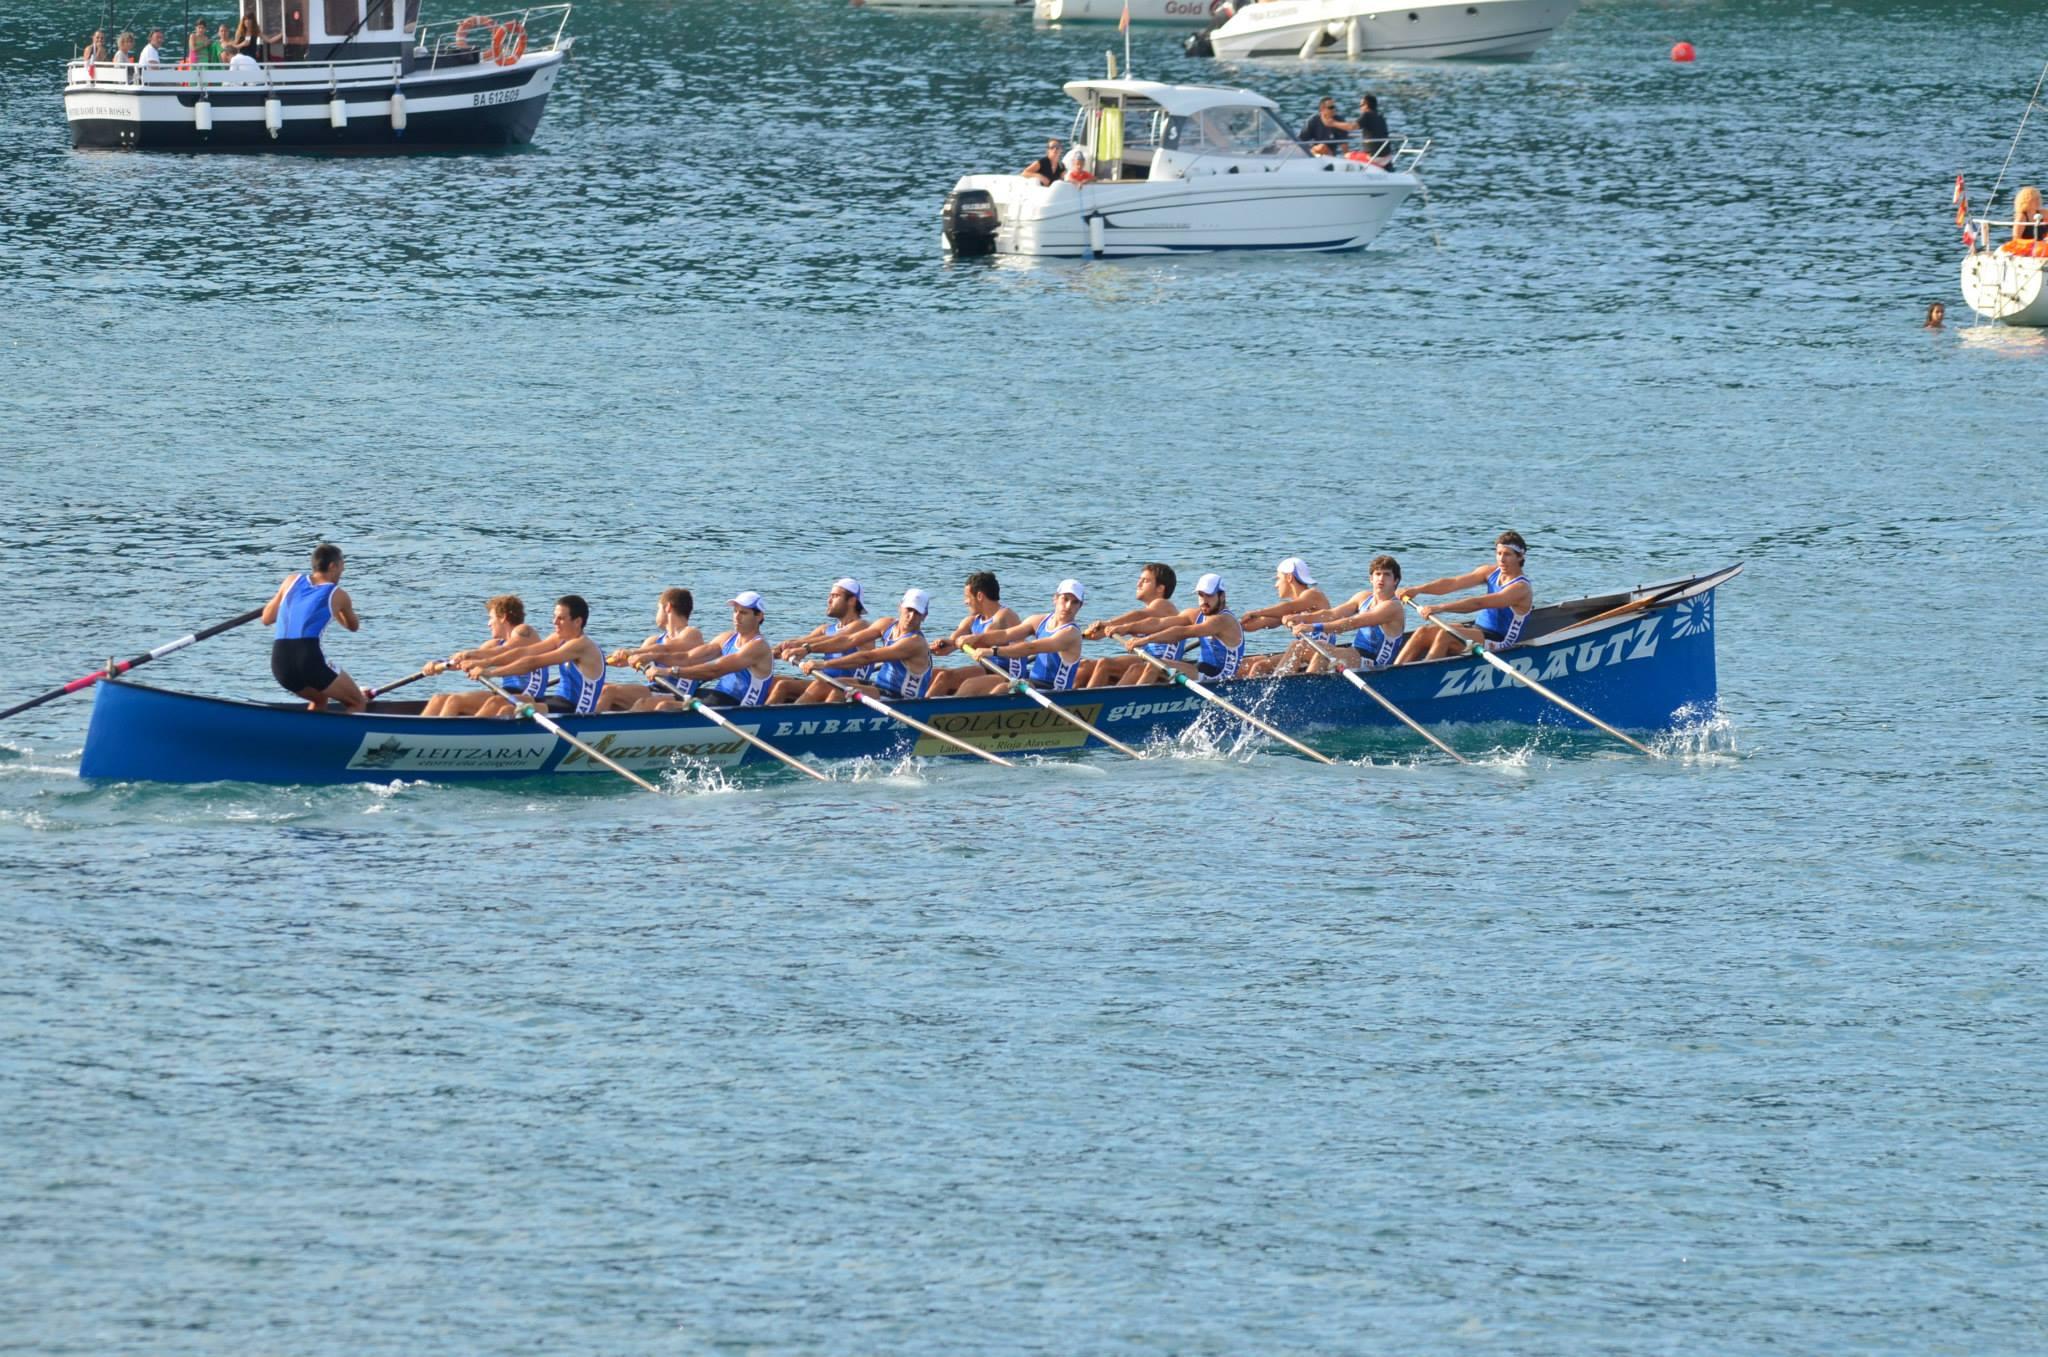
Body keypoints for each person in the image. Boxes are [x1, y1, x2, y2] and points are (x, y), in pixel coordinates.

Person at [1395, 531, 1534, 663]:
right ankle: (1393, 673)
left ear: (1520, 557)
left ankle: (1424, 677)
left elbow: (1478, 603)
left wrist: (1439, 608)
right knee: (1423, 632)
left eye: (1507, 555)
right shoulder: (1489, 572)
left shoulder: (1520, 588)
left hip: (1500, 641)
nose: (1501, 559)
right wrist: (1417, 589)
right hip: (1478, 629)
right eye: (1499, 553)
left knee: (1447, 635)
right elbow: (1452, 583)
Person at [261, 543, 367, 712]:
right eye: (342, 566)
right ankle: (342, 738)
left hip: (280, 662)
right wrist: (338, 608)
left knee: (320, 698)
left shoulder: (290, 581)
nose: (342, 572)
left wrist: (282, 596)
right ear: (333, 566)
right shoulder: (338, 594)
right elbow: (353, 626)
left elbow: (266, 618)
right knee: (357, 701)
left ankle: (309, 735)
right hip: (308, 658)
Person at [469, 595, 606, 716]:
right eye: (554, 617)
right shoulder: (558, 638)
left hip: (577, 712)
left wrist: (491, 673)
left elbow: (533, 663)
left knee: (508, 710)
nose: (554, 622)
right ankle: (470, 733)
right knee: (497, 701)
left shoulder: (581, 645)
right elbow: (523, 652)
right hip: (558, 701)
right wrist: (485, 662)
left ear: (577, 622)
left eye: (561, 618)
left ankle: (478, 739)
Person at [952, 580, 1088, 696]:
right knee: (971, 684)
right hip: (1033, 683)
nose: (1068, 606)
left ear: (1080, 606)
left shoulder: (1071, 633)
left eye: (1075, 602)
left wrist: (993, 651)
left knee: (1002, 689)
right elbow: (1006, 634)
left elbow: (1031, 647)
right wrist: (975, 638)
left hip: (1055, 692)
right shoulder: (1038, 620)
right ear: (1055, 599)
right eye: (1065, 599)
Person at [421, 594, 546, 717]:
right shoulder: (494, 644)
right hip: (505, 693)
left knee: (455, 700)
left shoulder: (524, 631)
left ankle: (459, 734)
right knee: (439, 698)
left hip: (529, 696)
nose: (488, 624)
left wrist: (470, 654)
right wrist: (437, 664)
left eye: (491, 618)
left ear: (503, 617)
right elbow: (461, 662)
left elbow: (506, 651)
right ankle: (422, 732)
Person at [647, 592, 776, 709]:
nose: (737, 617)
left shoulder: (758, 647)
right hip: (718, 697)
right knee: (648, 703)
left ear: (759, 616)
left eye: (743, 613)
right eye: (735, 611)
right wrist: (652, 656)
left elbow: (714, 670)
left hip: (740, 707)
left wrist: (670, 671)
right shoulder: (727, 638)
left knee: (665, 706)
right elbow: (688, 657)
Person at [801, 589, 936, 701]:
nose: (911, 616)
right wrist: (807, 649)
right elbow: (849, 640)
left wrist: (823, 664)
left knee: (840, 691)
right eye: (909, 609)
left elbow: (868, 657)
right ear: (900, 606)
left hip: (903, 700)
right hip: (881, 687)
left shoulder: (915, 642)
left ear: (924, 616)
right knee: (823, 684)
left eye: (917, 613)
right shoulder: (886, 624)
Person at [767, 578, 881, 704]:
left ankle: (788, 718)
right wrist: (777, 650)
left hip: (848, 690)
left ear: (852, 601)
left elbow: (837, 639)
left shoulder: (862, 626)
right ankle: (759, 715)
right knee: (778, 683)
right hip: (825, 684)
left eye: (835, 596)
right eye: (830, 596)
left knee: (818, 686)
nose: (829, 601)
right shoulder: (825, 629)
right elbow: (799, 641)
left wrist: (805, 649)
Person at [1117, 573, 1244, 682]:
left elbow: (1182, 632)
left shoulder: (1223, 620)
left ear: (1222, 596)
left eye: (1209, 596)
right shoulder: (1195, 614)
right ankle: (1113, 702)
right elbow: (1159, 623)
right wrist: (1125, 627)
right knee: (1137, 668)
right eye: (1200, 595)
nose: (1204, 601)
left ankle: (1130, 705)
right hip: (1201, 669)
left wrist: (1144, 640)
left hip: (1220, 679)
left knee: (1155, 665)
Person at [1288, 555, 1406, 671]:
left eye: (1387, 574)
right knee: (1298, 646)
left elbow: (1352, 623)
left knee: (1323, 654)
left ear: (1395, 581)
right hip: (1355, 654)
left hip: (1375, 665)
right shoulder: (1363, 597)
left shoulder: (1393, 607)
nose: (1381, 578)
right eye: (1378, 574)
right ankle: (1279, 685)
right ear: (1371, 578)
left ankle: (1307, 689)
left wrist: (1313, 628)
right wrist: (1301, 618)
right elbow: (1331, 614)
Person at [1079, 563, 1188, 688]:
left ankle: (1094, 704)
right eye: (1139, 580)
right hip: (1145, 664)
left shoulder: (1164, 606)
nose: (1138, 584)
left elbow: (1139, 615)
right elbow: (1138, 622)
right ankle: (1070, 699)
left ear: (1160, 588)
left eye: (1145, 581)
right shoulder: (1147, 618)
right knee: (1086, 665)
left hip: (1161, 668)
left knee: (1105, 664)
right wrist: (1092, 634)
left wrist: (1109, 624)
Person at [595, 588, 700, 712]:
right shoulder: (653, 640)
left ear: (668, 607)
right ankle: (588, 724)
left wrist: (635, 652)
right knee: (606, 689)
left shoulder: (692, 633)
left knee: (643, 704)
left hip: (679, 694)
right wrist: (610, 659)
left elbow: (669, 648)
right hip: (655, 689)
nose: (656, 613)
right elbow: (625, 662)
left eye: (658, 608)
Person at [927, 571, 1026, 697]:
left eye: (967, 597)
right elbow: (952, 642)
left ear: (979, 596)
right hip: (987, 670)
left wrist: (955, 644)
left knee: (967, 684)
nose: (965, 601)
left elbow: (983, 641)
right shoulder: (972, 620)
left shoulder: (1004, 616)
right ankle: (917, 704)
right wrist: (939, 645)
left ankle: (938, 712)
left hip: (1008, 677)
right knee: (934, 674)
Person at [1236, 557, 1331, 677]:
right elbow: (1263, 622)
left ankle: (1276, 690)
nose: (1276, 585)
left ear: (1289, 577)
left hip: (1320, 653)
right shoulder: (1296, 608)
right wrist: (1234, 626)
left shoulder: (1313, 595)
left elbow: (1288, 607)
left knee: (1263, 665)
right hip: (1304, 653)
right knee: (1255, 665)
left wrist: (1257, 612)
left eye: (1278, 579)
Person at [1351, 93, 1391, 163]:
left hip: (1373, 158)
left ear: (1366, 106)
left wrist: (1333, 123)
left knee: (1347, 155)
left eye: (1361, 105)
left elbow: (1352, 127)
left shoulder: (1366, 115)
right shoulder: (1380, 117)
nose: (1360, 108)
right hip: (1386, 157)